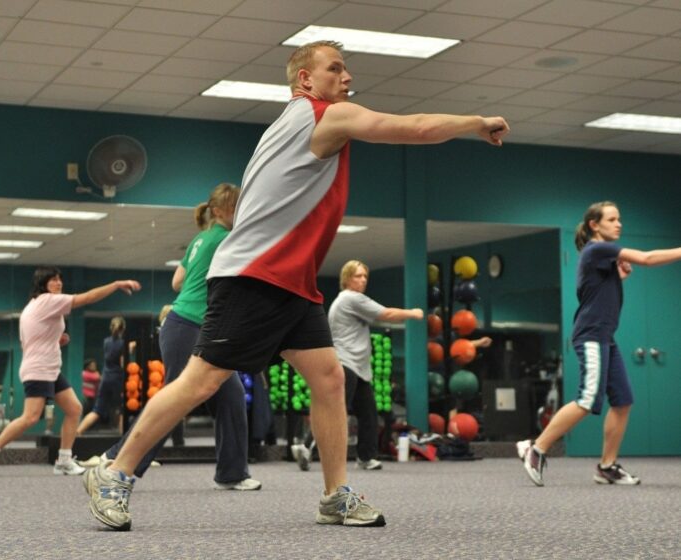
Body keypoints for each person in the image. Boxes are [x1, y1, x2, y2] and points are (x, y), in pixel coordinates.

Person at [85, 39, 508, 531]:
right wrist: (475, 123)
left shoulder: (290, 124)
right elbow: (412, 127)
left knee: (329, 380)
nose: (347, 79)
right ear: (305, 80)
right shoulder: (321, 116)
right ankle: (114, 473)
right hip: (253, 277)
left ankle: (334, 496)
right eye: (336, 69)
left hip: (292, 283)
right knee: (201, 382)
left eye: (347, 71)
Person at [85, 183, 261, 490]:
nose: (240, 212)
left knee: (231, 395)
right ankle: (116, 459)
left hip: (193, 326)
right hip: (187, 326)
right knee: (176, 400)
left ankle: (232, 473)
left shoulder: (201, 238)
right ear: (218, 211)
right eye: (235, 207)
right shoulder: (226, 239)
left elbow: (177, 281)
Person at [517, 201, 681, 487]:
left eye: (620, 219)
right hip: (592, 335)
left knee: (622, 401)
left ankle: (607, 467)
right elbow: (648, 258)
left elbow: (595, 289)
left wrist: (618, 277)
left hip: (605, 336)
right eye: (612, 219)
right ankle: (537, 448)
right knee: (587, 399)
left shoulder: (599, 257)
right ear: (595, 224)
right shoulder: (597, 249)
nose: (619, 224)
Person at [0, 267, 141, 477]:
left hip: (49, 368)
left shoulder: (34, 305)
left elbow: (31, 339)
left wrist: (56, 340)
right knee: (30, 417)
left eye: (60, 279)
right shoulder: (47, 300)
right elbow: (86, 298)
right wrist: (116, 285)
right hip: (39, 369)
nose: (58, 283)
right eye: (53, 280)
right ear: (43, 285)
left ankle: (64, 460)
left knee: (74, 409)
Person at [291, 260, 424, 472]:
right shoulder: (352, 299)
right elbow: (386, 314)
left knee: (368, 412)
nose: (362, 280)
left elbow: (381, 320)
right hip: (346, 364)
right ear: (347, 279)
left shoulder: (346, 302)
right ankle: (306, 446)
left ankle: (366, 456)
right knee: (334, 412)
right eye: (357, 276)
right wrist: (413, 313)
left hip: (358, 367)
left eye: (364, 277)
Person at [77, 317, 127, 435]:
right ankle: (123, 440)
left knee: (97, 410)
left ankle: (78, 432)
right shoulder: (123, 344)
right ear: (123, 329)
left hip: (105, 378)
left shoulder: (106, 342)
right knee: (121, 410)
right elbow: (122, 363)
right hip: (117, 379)